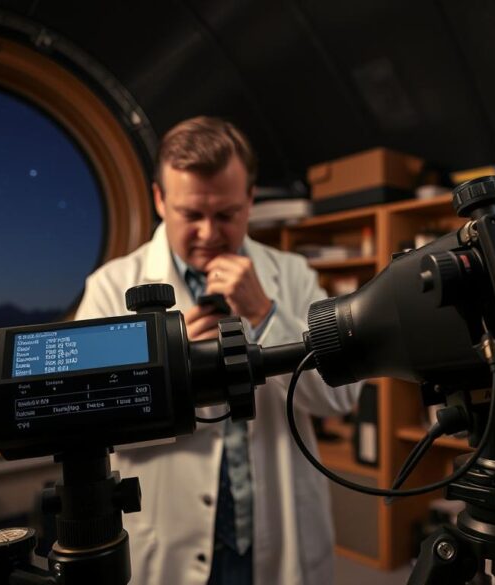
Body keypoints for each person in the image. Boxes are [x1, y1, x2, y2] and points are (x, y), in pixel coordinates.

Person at [75, 116, 361, 585]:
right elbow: (88, 422)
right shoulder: (109, 288)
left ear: (250, 201)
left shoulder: (292, 276)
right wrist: (171, 354)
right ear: (159, 200)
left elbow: (339, 398)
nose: (209, 233)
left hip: (274, 534)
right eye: (192, 214)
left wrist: (266, 314)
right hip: (168, 538)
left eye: (226, 214)